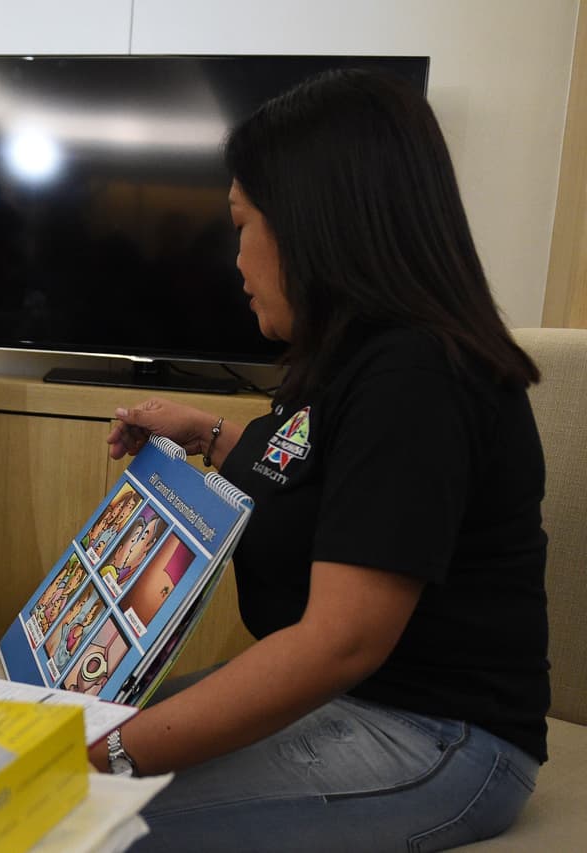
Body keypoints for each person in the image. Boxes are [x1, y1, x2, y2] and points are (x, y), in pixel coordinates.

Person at [91, 69, 549, 852]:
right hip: (355, 705)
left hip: (434, 734)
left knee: (61, 816)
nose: (234, 257)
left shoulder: (415, 373)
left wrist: (107, 753)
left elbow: (340, 640)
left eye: (241, 223)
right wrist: (207, 432)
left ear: (310, 224)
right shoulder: (349, 355)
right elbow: (314, 476)